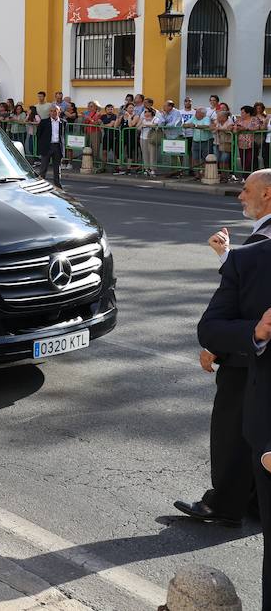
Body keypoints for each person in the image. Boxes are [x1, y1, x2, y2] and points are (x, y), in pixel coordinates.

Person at [178, 179, 271, 528]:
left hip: (247, 359)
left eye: (246, 189)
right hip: (249, 349)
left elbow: (248, 303)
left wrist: (217, 346)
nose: (240, 195)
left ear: (268, 193)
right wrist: (228, 257)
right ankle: (253, 502)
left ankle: (225, 504)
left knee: (232, 433)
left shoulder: (259, 249)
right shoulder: (255, 248)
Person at [198, 170, 271, 602]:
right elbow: (215, 325)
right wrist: (256, 334)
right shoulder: (254, 258)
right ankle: (231, 501)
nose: (240, 195)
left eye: (246, 188)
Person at [38, 104, 65, 186]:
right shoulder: (44, 122)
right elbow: (38, 134)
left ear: (59, 112)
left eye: (55, 111)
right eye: (51, 111)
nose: (53, 113)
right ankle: (40, 185)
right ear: (49, 112)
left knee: (57, 169)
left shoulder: (63, 122)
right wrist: (43, 145)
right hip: (47, 147)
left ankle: (58, 186)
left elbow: (62, 135)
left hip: (57, 147)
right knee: (43, 168)